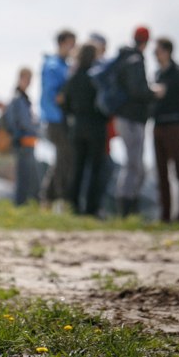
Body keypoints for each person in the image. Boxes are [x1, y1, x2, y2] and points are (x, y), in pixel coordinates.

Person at [112, 26, 157, 217]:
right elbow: (137, 90)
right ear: (146, 42)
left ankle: (128, 205)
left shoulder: (122, 58)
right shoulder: (136, 61)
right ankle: (127, 208)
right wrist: (153, 92)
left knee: (133, 165)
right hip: (132, 119)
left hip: (122, 117)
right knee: (134, 165)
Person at [62, 43, 109, 217]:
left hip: (77, 126)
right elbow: (106, 103)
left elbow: (64, 103)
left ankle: (73, 206)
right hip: (96, 126)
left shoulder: (72, 77)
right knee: (96, 169)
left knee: (77, 168)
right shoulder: (97, 77)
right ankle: (91, 208)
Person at [151, 37, 179, 223]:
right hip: (158, 126)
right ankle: (165, 215)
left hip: (175, 126)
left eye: (157, 50)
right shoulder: (157, 75)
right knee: (161, 174)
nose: (155, 54)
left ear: (167, 51)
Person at [38, 29, 76, 210]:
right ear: (62, 43)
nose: (73, 48)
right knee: (64, 158)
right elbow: (53, 96)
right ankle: (55, 198)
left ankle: (48, 198)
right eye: (71, 43)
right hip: (54, 119)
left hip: (60, 119)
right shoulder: (53, 66)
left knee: (62, 159)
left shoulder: (64, 64)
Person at [4, 67, 40, 206]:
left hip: (29, 141)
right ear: (20, 78)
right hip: (22, 141)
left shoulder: (24, 99)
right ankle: (20, 203)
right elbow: (21, 122)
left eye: (30, 79)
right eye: (26, 78)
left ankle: (27, 203)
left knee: (30, 176)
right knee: (23, 176)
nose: (29, 82)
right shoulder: (17, 99)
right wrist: (36, 127)